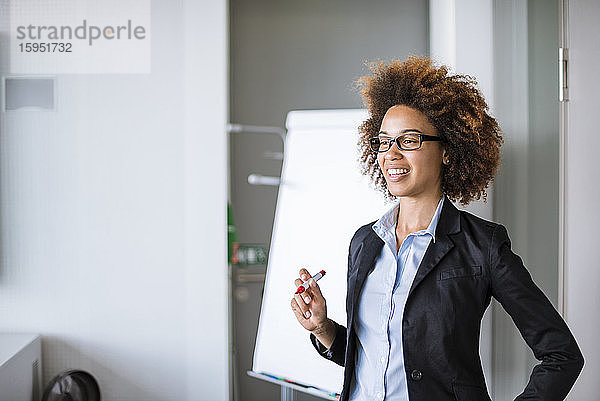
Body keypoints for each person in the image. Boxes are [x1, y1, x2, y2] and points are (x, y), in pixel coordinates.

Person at [289, 56, 584, 401]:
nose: (391, 154)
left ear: (447, 150)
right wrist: (322, 328)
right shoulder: (365, 242)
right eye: (384, 142)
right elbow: (371, 360)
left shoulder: (482, 246)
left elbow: (561, 355)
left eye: (409, 140)